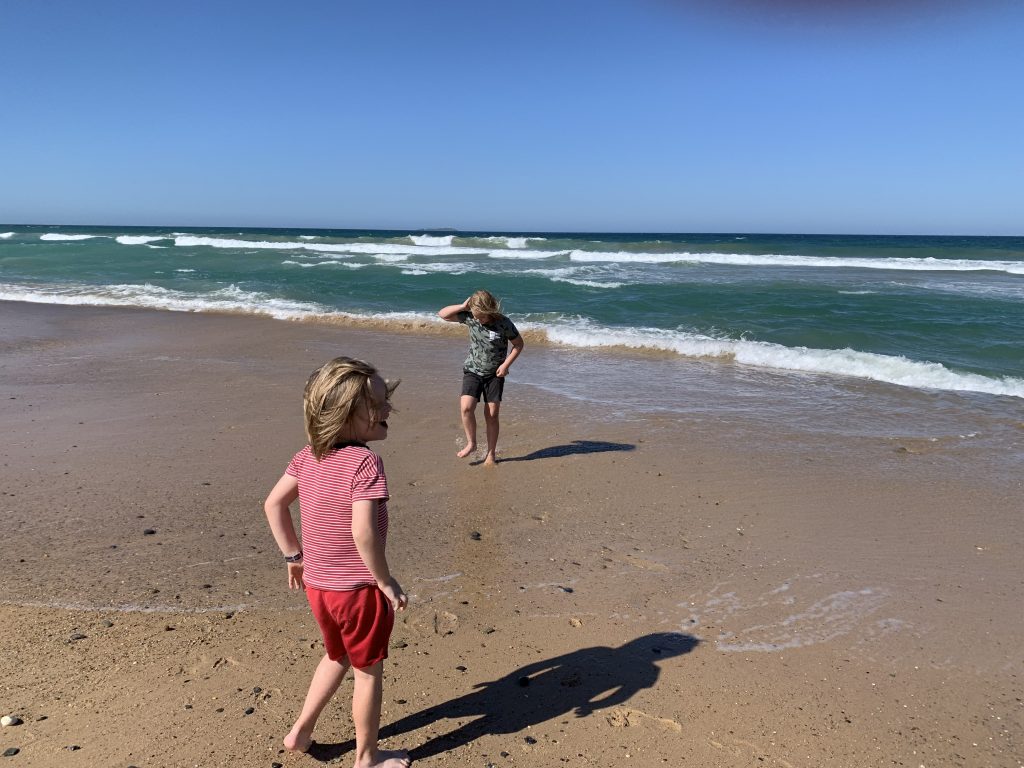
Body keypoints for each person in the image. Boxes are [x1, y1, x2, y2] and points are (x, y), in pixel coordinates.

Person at [264, 357, 410, 768]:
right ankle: (367, 757)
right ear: (347, 415)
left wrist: (294, 557)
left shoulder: (307, 456)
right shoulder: (365, 462)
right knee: (367, 671)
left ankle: (300, 732)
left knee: (337, 656)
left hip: (319, 587)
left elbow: (274, 505)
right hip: (358, 592)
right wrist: (384, 580)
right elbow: (363, 532)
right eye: (378, 404)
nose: (388, 408)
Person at [438, 290, 524, 466]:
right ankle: (472, 443)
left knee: (492, 414)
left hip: (495, 374)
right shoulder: (470, 317)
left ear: (490, 310)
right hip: (473, 370)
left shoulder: (504, 323)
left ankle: (491, 454)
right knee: (466, 408)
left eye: (482, 317)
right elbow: (443, 315)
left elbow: (518, 344)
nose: (479, 320)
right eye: (476, 316)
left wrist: (505, 365)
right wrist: (462, 306)